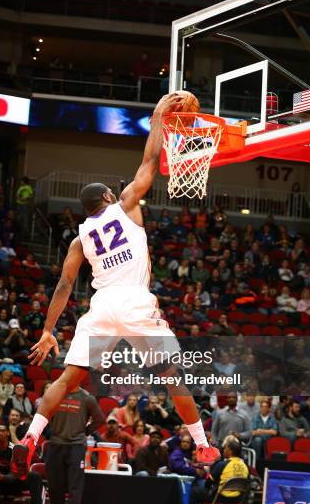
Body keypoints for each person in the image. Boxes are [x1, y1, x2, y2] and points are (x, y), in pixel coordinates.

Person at [12, 93, 219, 474]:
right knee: (173, 377)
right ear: (108, 197)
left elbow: (63, 285)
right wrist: (158, 116)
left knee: (68, 378)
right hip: (135, 301)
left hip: (102, 305)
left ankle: (30, 437)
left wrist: (47, 330)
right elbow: (151, 161)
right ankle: (204, 447)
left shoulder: (79, 238)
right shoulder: (125, 204)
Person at [46, 386, 104, 504]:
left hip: (76, 446)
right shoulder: (55, 392)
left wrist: (85, 431)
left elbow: (100, 419)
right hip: (55, 444)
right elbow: (43, 414)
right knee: (54, 486)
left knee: (74, 487)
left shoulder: (87, 398)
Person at [187, 436, 249, 504]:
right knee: (215, 491)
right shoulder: (245, 466)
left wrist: (207, 487)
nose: (224, 450)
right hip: (237, 499)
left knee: (196, 491)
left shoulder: (223, 464)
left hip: (222, 498)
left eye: (226, 448)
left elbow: (209, 482)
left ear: (230, 451)